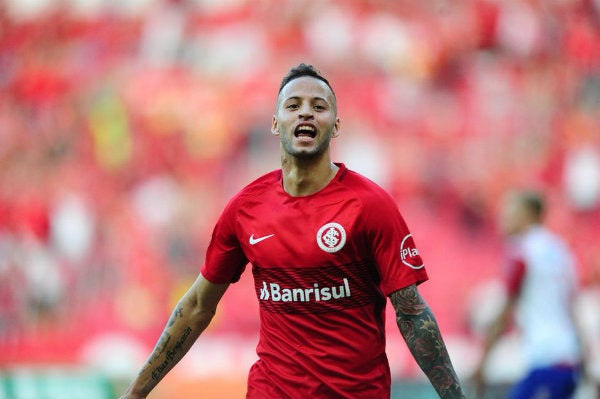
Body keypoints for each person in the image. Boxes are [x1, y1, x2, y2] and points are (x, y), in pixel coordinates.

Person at [119, 63, 465, 399]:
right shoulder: (245, 208)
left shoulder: (370, 206)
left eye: (319, 106)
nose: (306, 113)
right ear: (275, 123)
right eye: (293, 105)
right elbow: (197, 305)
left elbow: (412, 313)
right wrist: (137, 392)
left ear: (336, 125)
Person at [472, 190, 585, 399]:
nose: (503, 219)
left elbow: (505, 311)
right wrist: (584, 358)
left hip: (546, 358)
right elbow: (572, 308)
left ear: (528, 215)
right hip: (569, 360)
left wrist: (483, 361)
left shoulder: (520, 251)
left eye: (510, 212)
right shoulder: (561, 251)